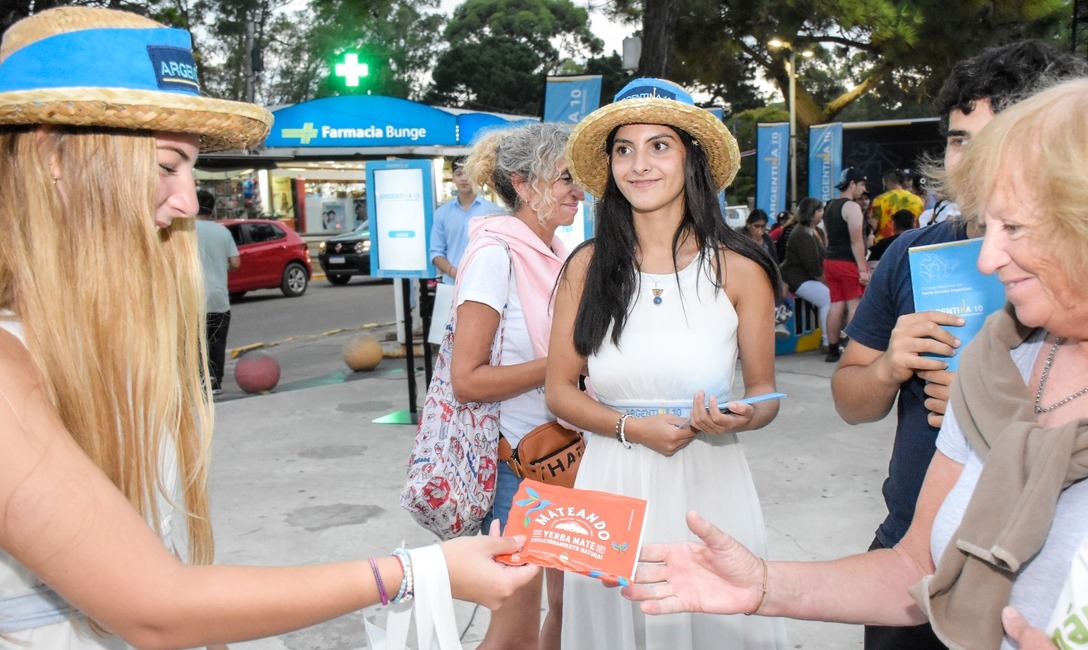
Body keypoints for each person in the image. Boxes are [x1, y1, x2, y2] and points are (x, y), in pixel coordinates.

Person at [0, 7, 535, 648]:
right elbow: (155, 608)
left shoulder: (82, 340)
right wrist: (418, 570)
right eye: (165, 166)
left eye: (189, 171)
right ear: (51, 157)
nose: (188, 200)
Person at [622, 75, 1088, 650]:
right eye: (988, 225)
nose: (987, 258)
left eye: (1013, 227)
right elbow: (916, 568)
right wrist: (762, 584)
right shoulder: (993, 359)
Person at [829, 40, 1088, 650]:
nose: (970, 159)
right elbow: (849, 399)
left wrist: (991, 415)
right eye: (957, 139)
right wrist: (891, 367)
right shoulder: (910, 254)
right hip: (911, 546)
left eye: (992, 137)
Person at [546, 77, 788, 649]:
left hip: (709, 487)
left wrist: (739, 416)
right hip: (611, 483)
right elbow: (560, 391)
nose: (639, 164)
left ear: (691, 159)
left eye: (659, 145)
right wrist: (633, 428)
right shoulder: (586, 267)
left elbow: (766, 394)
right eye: (624, 149)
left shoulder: (741, 268)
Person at [451, 122, 583, 650]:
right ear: (524, 185)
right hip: (518, 470)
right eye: (566, 178)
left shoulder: (559, 251)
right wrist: (562, 365)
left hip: (567, 455)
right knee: (513, 632)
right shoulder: (494, 256)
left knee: (569, 614)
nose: (579, 190)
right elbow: (467, 379)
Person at [429, 156, 503, 284]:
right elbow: (436, 252)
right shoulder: (442, 213)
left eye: (468, 173)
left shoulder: (493, 212)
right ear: (453, 178)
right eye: (459, 174)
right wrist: (453, 272)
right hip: (451, 283)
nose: (464, 178)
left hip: (483, 284)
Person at [821, 166, 869, 363]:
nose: (863, 189)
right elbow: (856, 241)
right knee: (853, 305)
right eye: (861, 184)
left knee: (836, 305)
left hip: (830, 261)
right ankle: (853, 350)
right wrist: (862, 269)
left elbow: (826, 237)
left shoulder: (829, 205)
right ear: (852, 184)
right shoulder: (852, 207)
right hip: (848, 262)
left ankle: (832, 349)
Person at [195, 190, 240, 396]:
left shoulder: (183, 232)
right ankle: (215, 382)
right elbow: (235, 263)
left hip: (192, 298)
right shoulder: (223, 232)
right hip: (219, 297)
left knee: (195, 342)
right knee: (216, 341)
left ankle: (198, 380)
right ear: (212, 209)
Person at [779, 197, 831, 351]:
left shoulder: (817, 231)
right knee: (827, 298)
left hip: (807, 276)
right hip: (796, 277)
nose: (822, 213)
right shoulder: (802, 233)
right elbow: (813, 267)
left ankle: (832, 336)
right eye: (820, 210)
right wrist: (826, 281)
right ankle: (828, 342)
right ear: (812, 213)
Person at [870, 169, 924, 242]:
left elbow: (873, 225)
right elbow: (920, 225)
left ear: (887, 182)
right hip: (910, 240)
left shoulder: (880, 200)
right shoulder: (917, 200)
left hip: (885, 243)